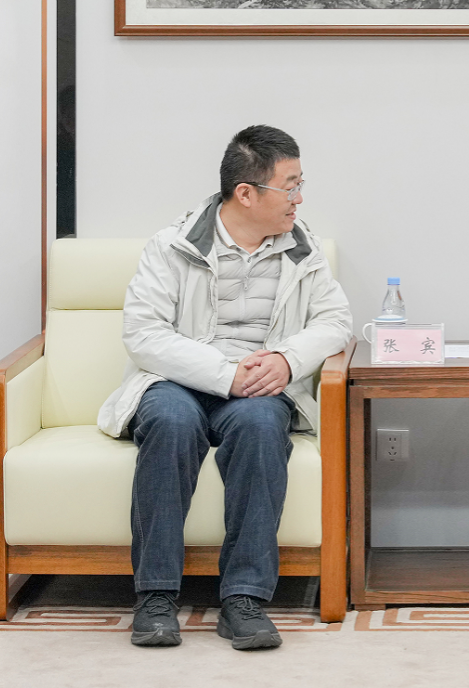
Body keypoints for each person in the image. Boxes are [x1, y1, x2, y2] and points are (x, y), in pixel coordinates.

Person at [98, 125, 352, 650]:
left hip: (258, 387)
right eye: (290, 186)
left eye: (300, 184)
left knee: (261, 426)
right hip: (179, 380)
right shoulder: (171, 246)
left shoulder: (302, 249)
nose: (299, 198)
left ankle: (244, 598)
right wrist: (223, 374)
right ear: (246, 193)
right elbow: (144, 334)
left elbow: (335, 321)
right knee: (169, 421)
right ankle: (155, 596)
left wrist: (287, 360)